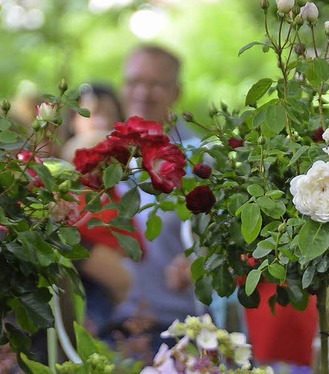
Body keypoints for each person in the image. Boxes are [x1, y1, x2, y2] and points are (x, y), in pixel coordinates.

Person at [101, 45, 203, 359]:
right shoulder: (103, 155)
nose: (143, 93)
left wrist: (201, 262)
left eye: (155, 84)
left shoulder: (199, 158)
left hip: (178, 328)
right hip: (109, 325)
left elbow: (226, 240)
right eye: (134, 82)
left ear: (176, 92)